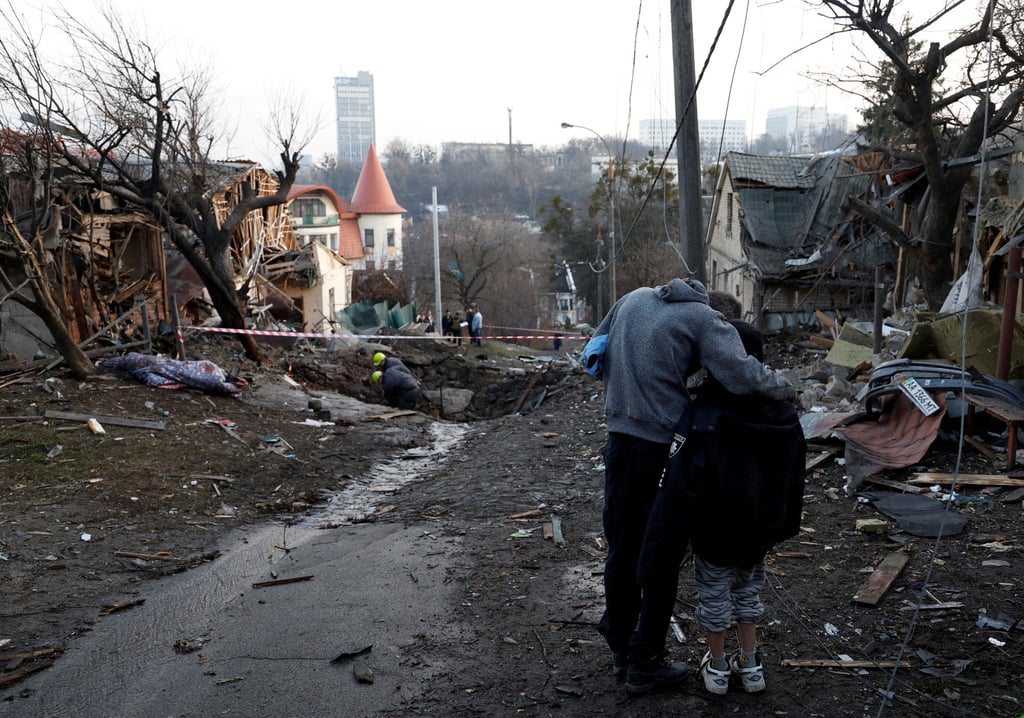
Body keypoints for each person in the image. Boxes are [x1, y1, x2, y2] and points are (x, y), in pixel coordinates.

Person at [588, 277, 795, 697]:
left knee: (623, 547)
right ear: (719, 311)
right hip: (661, 449)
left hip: (618, 442)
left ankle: (621, 648)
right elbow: (741, 374)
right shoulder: (703, 318)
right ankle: (645, 662)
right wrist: (787, 388)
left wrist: (631, 384)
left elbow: (593, 353)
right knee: (661, 554)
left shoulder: (631, 297)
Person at [672, 319, 806, 696]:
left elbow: (687, 478)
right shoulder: (782, 414)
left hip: (714, 529)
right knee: (749, 592)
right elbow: (795, 477)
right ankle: (750, 665)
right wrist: (779, 524)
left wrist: (683, 527)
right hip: (759, 527)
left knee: (714, 594)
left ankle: (716, 667)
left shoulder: (704, 414)